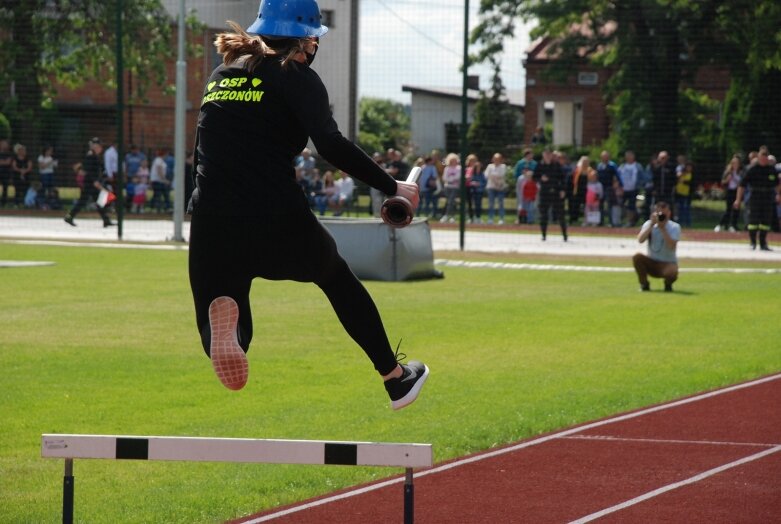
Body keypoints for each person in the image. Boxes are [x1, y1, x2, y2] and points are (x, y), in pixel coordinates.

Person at [187, 0, 428, 410]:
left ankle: (227, 336)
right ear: (307, 40)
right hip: (276, 216)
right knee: (335, 278)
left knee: (223, 297)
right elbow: (331, 144)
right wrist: (393, 186)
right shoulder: (296, 76)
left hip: (211, 215)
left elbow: (203, 149)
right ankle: (394, 378)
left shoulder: (221, 75)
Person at [734, 150, 780, 251]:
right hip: (755, 196)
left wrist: (779, 195)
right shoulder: (752, 169)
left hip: (768, 197)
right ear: (759, 158)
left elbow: (777, 185)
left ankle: (763, 243)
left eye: (765, 158)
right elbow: (742, 185)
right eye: (762, 158)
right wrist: (738, 199)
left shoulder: (771, 169)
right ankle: (753, 242)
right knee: (753, 221)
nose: (764, 160)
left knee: (766, 221)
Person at [64, 138, 115, 227]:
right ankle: (69, 216)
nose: (101, 148)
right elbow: (87, 171)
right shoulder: (90, 156)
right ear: (95, 146)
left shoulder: (93, 155)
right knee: (85, 201)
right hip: (90, 183)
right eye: (99, 146)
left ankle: (106, 220)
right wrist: (95, 182)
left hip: (92, 183)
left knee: (98, 201)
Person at [632, 201, 680, 292]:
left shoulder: (675, 227)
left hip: (667, 264)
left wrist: (663, 229)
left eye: (664, 213)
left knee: (673, 270)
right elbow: (640, 240)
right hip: (652, 262)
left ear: (669, 213)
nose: (662, 216)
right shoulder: (649, 224)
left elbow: (671, 246)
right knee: (637, 257)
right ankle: (644, 284)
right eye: (659, 213)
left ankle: (668, 284)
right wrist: (651, 225)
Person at [533, 148, 567, 241]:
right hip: (544, 193)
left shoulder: (556, 165)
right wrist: (540, 178)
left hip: (556, 192)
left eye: (549, 154)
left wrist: (562, 190)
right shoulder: (539, 165)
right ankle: (544, 235)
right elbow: (534, 177)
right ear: (543, 155)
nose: (547, 156)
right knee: (543, 215)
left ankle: (565, 235)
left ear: (551, 155)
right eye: (546, 154)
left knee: (561, 214)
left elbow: (563, 179)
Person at [715, 156, 743, 232]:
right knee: (728, 209)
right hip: (730, 192)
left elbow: (743, 182)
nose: (735, 164)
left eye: (737, 163)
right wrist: (727, 180)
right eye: (733, 163)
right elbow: (722, 182)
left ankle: (733, 225)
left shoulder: (741, 172)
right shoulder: (728, 171)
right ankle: (721, 224)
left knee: (736, 209)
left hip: (737, 192)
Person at [596, 150, 620, 227]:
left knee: (610, 205)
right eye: (603, 157)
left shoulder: (612, 166)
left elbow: (617, 176)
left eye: (606, 156)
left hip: (609, 187)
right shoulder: (599, 166)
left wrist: (617, 185)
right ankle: (600, 221)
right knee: (600, 204)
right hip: (600, 188)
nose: (604, 158)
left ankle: (611, 221)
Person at [617, 150, 641, 227]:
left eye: (630, 156)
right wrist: (619, 187)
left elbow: (642, 177)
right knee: (620, 205)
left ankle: (630, 222)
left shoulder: (637, 166)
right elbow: (617, 177)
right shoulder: (622, 166)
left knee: (631, 206)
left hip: (633, 190)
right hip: (623, 190)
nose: (628, 157)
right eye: (627, 156)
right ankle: (620, 220)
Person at [485, 152, 508, 224]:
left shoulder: (503, 166)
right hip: (491, 187)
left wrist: (493, 176)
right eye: (495, 159)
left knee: (500, 203)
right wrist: (495, 177)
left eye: (498, 159)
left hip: (500, 188)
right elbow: (486, 175)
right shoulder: (489, 166)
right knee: (491, 203)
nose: (496, 160)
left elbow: (501, 175)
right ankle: (490, 218)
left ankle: (501, 218)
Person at [440, 152, 460, 223]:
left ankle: (446, 215)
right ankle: (452, 216)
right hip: (447, 187)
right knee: (451, 202)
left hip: (455, 187)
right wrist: (451, 179)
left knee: (451, 201)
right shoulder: (447, 168)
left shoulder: (458, 168)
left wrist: (450, 179)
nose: (453, 162)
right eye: (451, 160)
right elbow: (444, 178)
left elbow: (458, 177)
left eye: (454, 160)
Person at [11, 143, 33, 207]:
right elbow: (14, 167)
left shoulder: (28, 159)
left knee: (25, 190)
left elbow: (30, 167)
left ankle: (24, 203)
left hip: (26, 177)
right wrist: (20, 170)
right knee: (17, 190)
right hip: (17, 177)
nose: (23, 151)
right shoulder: (15, 159)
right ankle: (16, 203)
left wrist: (25, 171)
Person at [675, 161, 694, 227]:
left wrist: (683, 181)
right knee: (680, 208)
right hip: (679, 193)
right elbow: (677, 177)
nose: (689, 168)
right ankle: (680, 222)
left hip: (687, 194)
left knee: (686, 209)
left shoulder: (691, 174)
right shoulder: (682, 173)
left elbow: (690, 182)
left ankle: (688, 223)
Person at [0, 139, 12, 207]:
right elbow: (6, 162)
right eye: (2, 143)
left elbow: (8, 162)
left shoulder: (9, 153)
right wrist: (4, 162)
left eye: (5, 144)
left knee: (5, 187)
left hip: (5, 173)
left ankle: (3, 203)